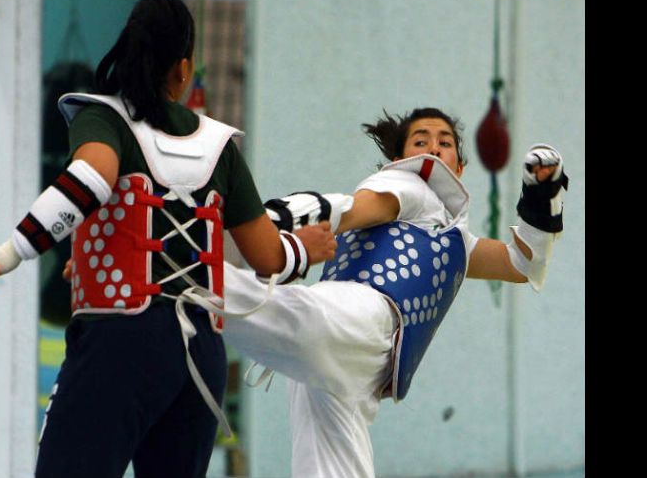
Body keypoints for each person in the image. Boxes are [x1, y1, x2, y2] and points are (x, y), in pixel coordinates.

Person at [0, 0, 336, 478]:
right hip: (200, 355)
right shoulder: (218, 145)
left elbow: (90, 182)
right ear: (184, 69)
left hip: (120, 341)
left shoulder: (103, 119)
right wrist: (304, 247)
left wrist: (9, 253)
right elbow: (267, 257)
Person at [179, 107, 568, 478]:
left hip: (357, 369)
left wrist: (542, 195)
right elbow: (352, 208)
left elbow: (522, 264)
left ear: (461, 166)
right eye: (420, 140)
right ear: (397, 161)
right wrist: (282, 219)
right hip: (355, 321)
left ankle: (184, 275)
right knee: (286, 311)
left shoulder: (457, 244)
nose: (433, 147)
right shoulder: (409, 185)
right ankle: (179, 268)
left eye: (445, 141)